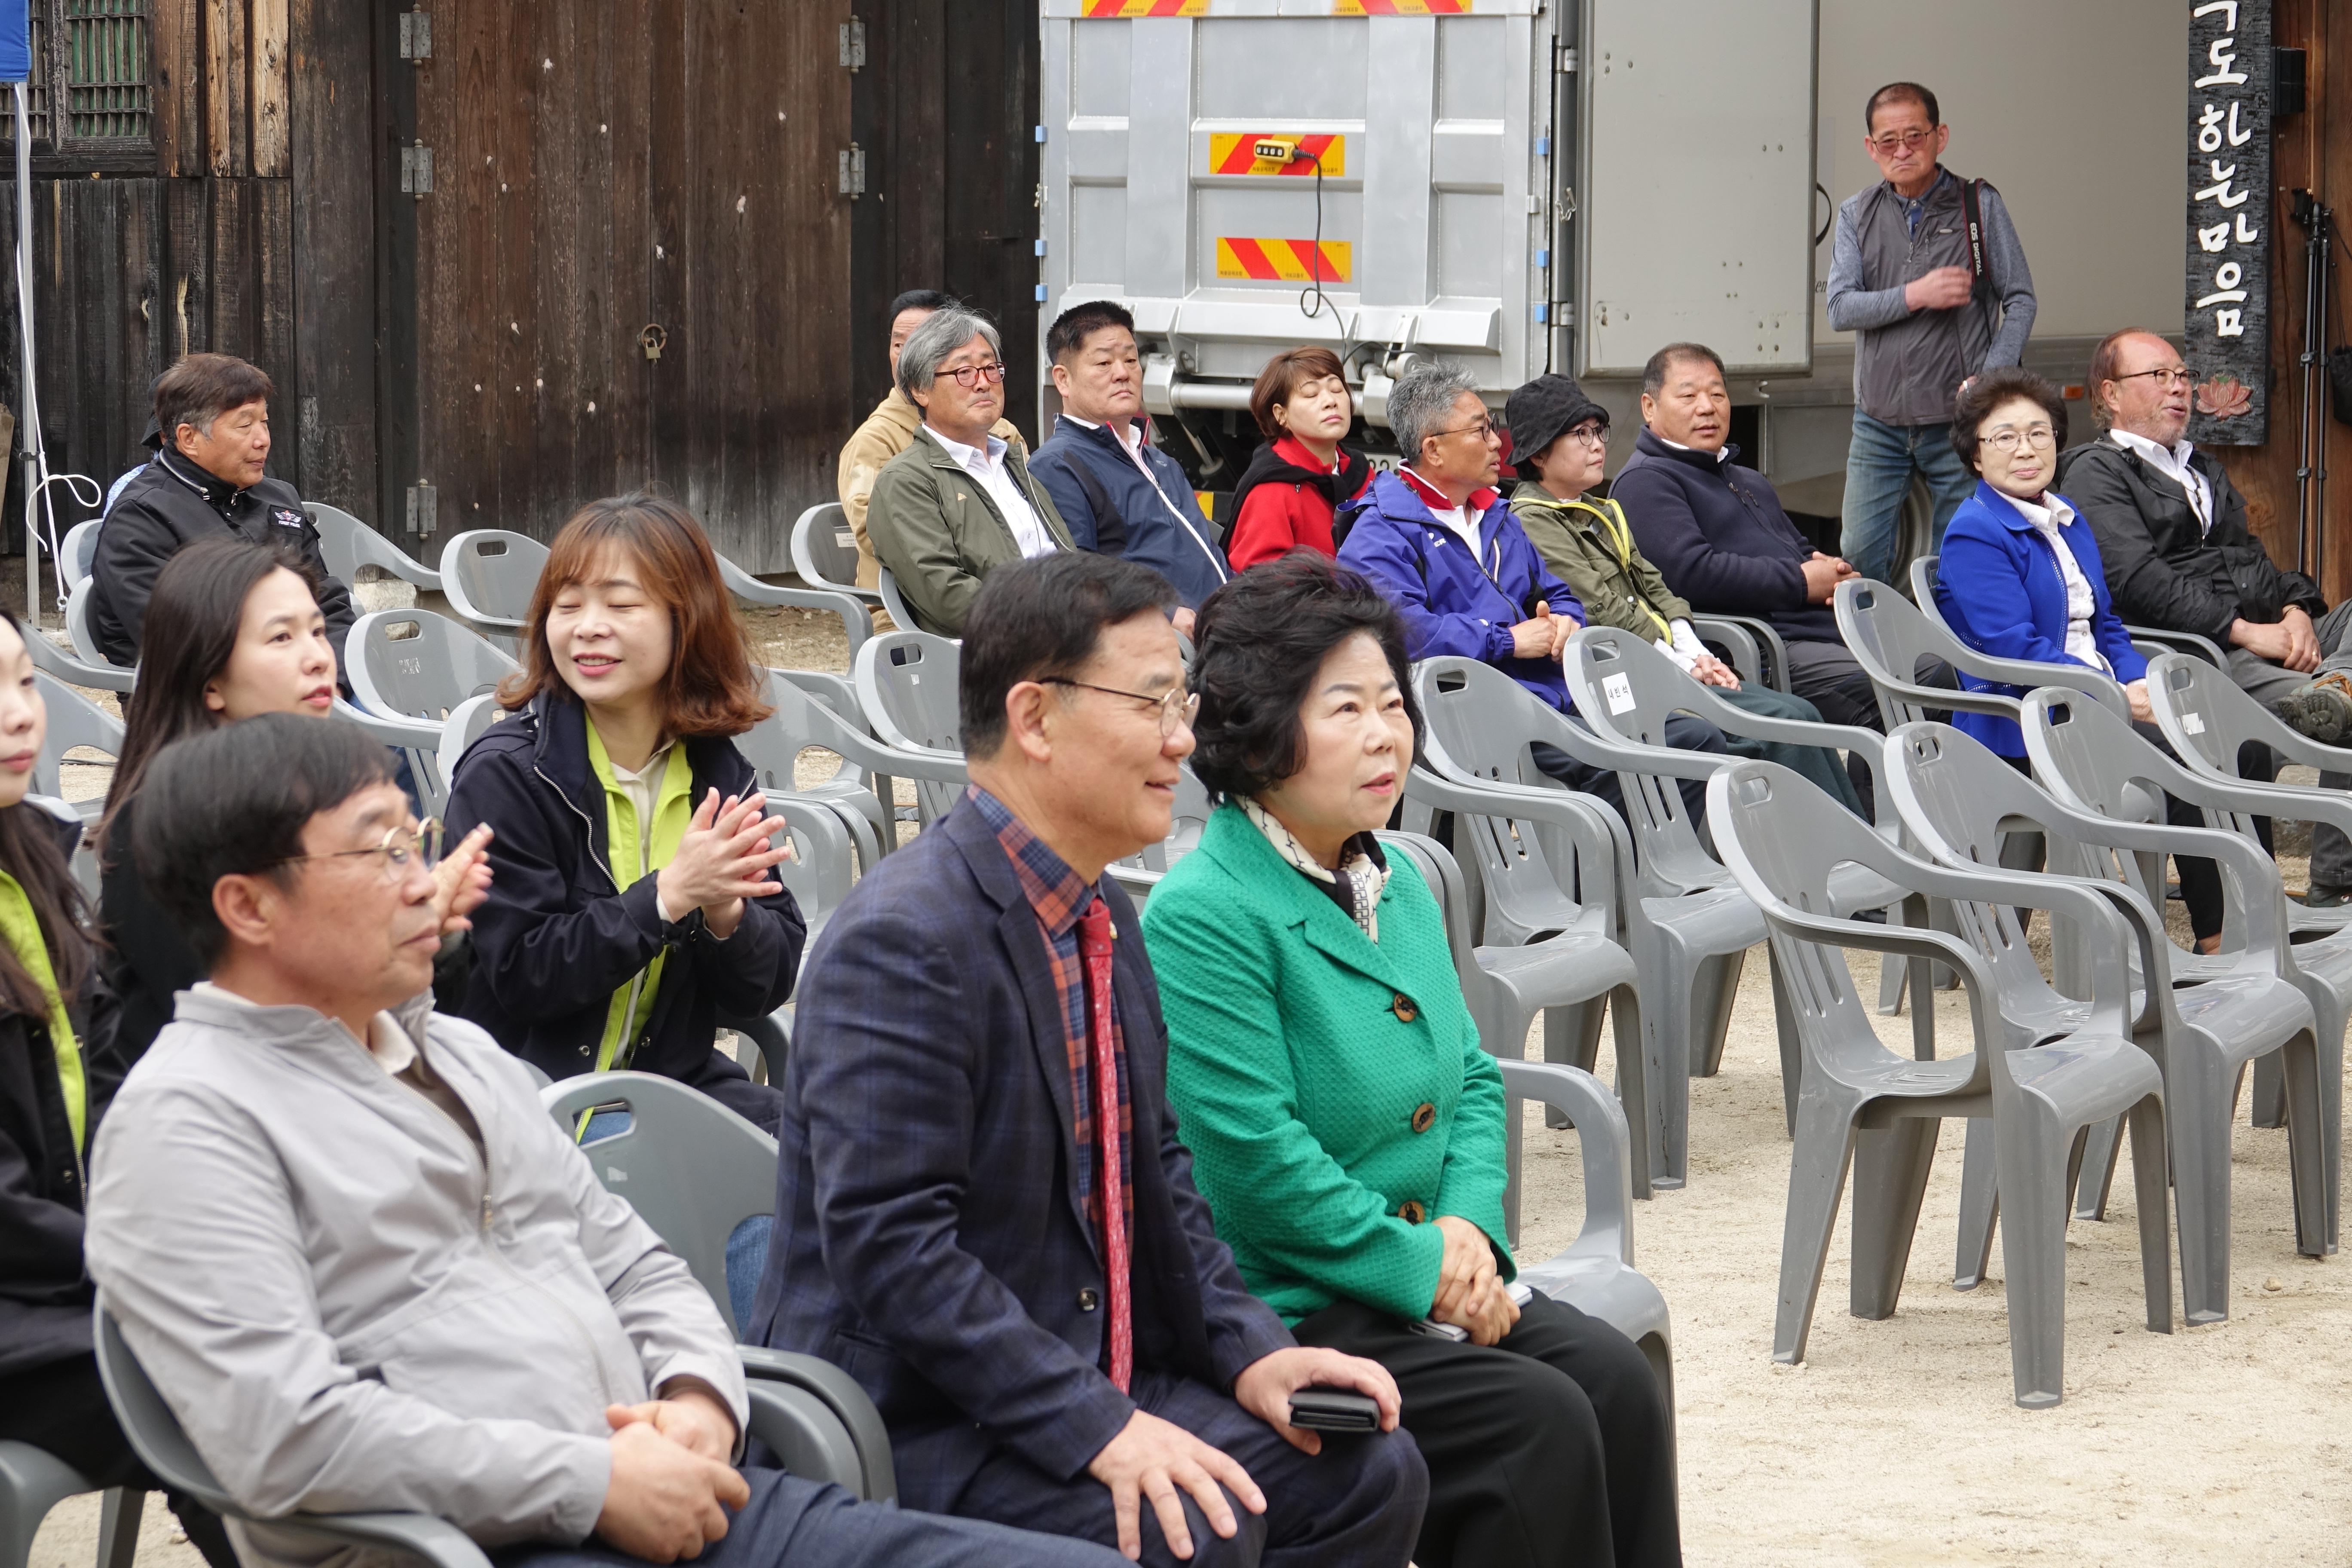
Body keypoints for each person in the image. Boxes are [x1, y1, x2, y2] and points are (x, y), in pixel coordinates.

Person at [83, 713, 1130, 1568]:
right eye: (379, 850)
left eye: (418, 842)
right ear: (246, 906)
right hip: (478, 1540)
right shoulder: (190, 1121)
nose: (423, 881)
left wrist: (697, 1401)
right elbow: (288, 1434)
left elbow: (631, 1259)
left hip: (678, 1493)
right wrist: (593, 1483)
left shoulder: (456, 1055)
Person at [750, 552, 1428, 1567]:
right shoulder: (906, 939)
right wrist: (1097, 1427)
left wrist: (1254, 1356)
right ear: (1033, 717)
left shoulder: (1098, 909)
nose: (1182, 738)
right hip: (928, 1419)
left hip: (1093, 1372)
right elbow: (896, 1254)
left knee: (1367, 1470)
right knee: (1198, 1522)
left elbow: (1159, 1176)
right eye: (1154, 700)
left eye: (1182, 700)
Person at [1143, 554, 1682, 1568]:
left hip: (1428, 1264)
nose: (1384, 734)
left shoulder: (1391, 877)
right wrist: (1426, 1271)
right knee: (1534, 1426)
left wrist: (1467, 1230)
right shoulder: (1206, 911)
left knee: (1615, 1379)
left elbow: (1472, 1077)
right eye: (1343, 708)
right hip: (1294, 1305)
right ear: (1258, 725)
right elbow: (1253, 1165)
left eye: (1390, 703)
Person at [0, 606, 239, 1568]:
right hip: (28, 1309)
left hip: (70, 1273)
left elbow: (103, 1084)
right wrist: (141, 1259)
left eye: (23, 683)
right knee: (234, 1378)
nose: (20, 715)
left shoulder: (36, 859)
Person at [445, 494, 803, 1133]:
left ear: (683, 619)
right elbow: (524, 977)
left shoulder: (718, 771)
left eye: (620, 604)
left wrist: (726, 914)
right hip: (532, 1101)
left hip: (667, 1080)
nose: (587, 626)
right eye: (568, 604)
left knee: (828, 1156)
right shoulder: (508, 775)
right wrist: (669, 896)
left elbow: (765, 988)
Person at [95, 536, 490, 1065]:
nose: (318, 659)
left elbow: (423, 1020)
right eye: (281, 638)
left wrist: (431, 937)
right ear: (210, 681)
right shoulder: (155, 829)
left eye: (319, 632)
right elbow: (256, 1031)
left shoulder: (341, 798)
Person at [1335, 361, 1727, 833]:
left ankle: (1637, 878)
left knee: (1693, 733)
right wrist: (1507, 641)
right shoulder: (1380, 531)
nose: (1498, 442)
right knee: (1685, 746)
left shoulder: (1497, 515)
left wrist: (1564, 622)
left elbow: (1557, 594)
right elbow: (1397, 631)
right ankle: (1616, 890)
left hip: (1550, 696)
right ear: (1433, 450)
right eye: (1481, 430)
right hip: (1479, 719)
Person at [1936, 368, 2229, 949]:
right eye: (2005, 437)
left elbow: (2105, 627)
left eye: (2039, 434)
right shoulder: (1974, 533)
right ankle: (2219, 938)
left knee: (2209, 732)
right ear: (1975, 457)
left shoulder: (2066, 517)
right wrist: (2115, 697)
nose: (2026, 449)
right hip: (2027, 719)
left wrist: (2138, 681)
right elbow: (2014, 650)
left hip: (2087, 703)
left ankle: (2233, 924)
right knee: (2183, 753)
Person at [2057, 327, 2352, 903]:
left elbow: (2253, 559)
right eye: (2159, 376)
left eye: (2183, 376)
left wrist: (2296, 610)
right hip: (2203, 653)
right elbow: (2136, 581)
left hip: (2263, 629)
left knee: (2346, 668)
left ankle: (2336, 686)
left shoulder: (2201, 468)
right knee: (2347, 712)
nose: (2180, 388)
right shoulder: (2098, 472)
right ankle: (2335, 883)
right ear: (2111, 394)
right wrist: (2247, 632)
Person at [1504, 372, 1868, 817]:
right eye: (1581, 435)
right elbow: (1600, 607)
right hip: (1624, 680)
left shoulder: (1601, 509)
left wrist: (1697, 653)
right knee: (1779, 727)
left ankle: (1850, 851)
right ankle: (1819, 859)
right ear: (1540, 454)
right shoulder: (1531, 519)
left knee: (1800, 716)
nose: (1598, 444)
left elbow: (1657, 586)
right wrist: (1682, 666)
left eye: (1599, 431)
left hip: (1667, 664)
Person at [1612, 342, 1933, 767]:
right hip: (1764, 646)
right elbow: (1692, 574)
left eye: (1718, 394)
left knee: (1940, 665)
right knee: (1916, 682)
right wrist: (1802, 583)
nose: (1707, 408)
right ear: (1650, 408)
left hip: (1820, 630)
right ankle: (1867, 826)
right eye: (1689, 396)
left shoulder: (1744, 478)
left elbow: (1795, 548)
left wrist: (1831, 572)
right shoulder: (1646, 482)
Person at [1827, 81, 2037, 585]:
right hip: (1877, 421)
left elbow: (2021, 298)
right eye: (1888, 141)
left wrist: (1990, 380)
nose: (1902, 151)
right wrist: (1915, 294)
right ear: (1870, 148)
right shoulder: (1857, 213)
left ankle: (1951, 659)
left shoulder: (1978, 206)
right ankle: (1874, 661)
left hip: (1957, 421)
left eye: (1915, 137)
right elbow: (1840, 308)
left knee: (1957, 559)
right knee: (1859, 555)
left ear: (1940, 136)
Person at [89, 352, 357, 672]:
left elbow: (328, 602)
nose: (263, 440)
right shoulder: (141, 518)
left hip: (312, 681)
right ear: (189, 438)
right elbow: (180, 643)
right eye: (245, 425)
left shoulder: (279, 497)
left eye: (265, 423)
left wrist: (338, 680)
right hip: (200, 702)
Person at [866, 307, 1075, 636]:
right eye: (964, 372)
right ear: (921, 389)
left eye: (991, 368)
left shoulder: (1012, 461)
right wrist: (1048, 622)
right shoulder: (905, 481)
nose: (983, 383)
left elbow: (1064, 553)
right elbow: (948, 596)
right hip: (996, 649)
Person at [1031, 300, 1230, 631]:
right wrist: (1166, 614)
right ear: (1063, 380)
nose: (1123, 373)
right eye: (1104, 363)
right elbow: (1076, 577)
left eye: (1130, 360)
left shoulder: (1160, 462)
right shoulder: (1058, 466)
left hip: (1222, 627)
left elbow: (1207, 553)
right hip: (1161, 641)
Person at [838, 289, 1029, 603]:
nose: (906, 356)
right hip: (908, 609)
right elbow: (878, 534)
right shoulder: (874, 441)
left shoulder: (1002, 436)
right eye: (899, 344)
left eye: (922, 342)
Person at [1223, 347, 1374, 570]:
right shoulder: (1272, 490)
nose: (1330, 401)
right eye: (1311, 395)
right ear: (1281, 415)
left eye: (1336, 389)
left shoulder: (1361, 473)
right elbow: (1263, 588)